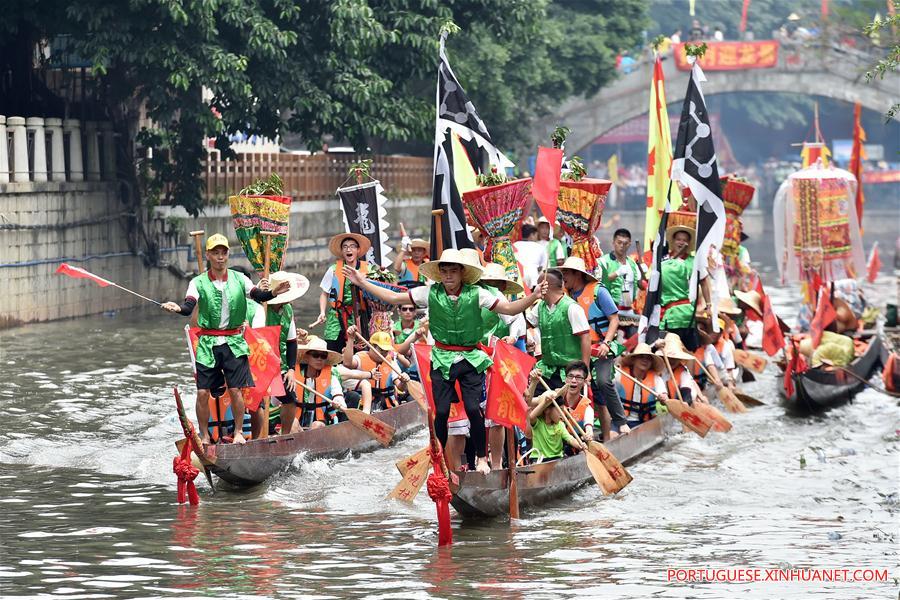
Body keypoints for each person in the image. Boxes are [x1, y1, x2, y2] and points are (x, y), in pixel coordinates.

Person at [341, 248, 547, 475]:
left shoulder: (478, 294)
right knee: (440, 411)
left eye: (453, 271)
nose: (448, 276)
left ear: (462, 273)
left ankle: (481, 458)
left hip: (471, 357)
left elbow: (509, 308)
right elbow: (393, 297)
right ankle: (438, 458)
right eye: (444, 271)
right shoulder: (429, 293)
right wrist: (362, 282)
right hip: (441, 358)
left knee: (471, 408)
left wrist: (534, 296)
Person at [162, 233, 290, 444]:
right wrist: (177, 308)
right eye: (216, 253)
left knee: (236, 390)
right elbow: (188, 307)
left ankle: (239, 433)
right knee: (203, 392)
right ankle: (204, 436)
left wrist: (273, 293)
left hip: (234, 342)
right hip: (208, 344)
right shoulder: (197, 282)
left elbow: (258, 295)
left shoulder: (240, 279)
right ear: (209, 255)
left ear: (228, 255)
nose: (220, 257)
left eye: (223, 253)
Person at [557, 256, 628, 441]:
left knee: (603, 383)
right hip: (578, 350)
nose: (563, 277)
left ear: (577, 275)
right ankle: (572, 440)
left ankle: (619, 423)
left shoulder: (598, 291)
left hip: (601, 348)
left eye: (566, 273)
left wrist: (606, 343)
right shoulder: (564, 294)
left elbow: (614, 319)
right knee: (572, 390)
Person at [248, 271, 310, 435]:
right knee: (256, 404)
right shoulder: (259, 308)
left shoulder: (288, 309)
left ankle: (285, 435)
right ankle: (255, 439)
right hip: (256, 362)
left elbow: (291, 342)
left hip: (278, 363)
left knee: (290, 399)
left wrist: (290, 369)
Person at [311, 233, 371, 352]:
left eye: (352, 246)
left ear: (358, 250)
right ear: (342, 251)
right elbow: (324, 293)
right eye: (345, 247)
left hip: (359, 317)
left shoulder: (368, 270)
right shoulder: (333, 269)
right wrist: (322, 312)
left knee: (360, 352)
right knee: (333, 351)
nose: (348, 249)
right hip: (336, 316)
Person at [342, 327, 409, 411]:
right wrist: (351, 339)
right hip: (364, 403)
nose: (384, 353)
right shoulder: (360, 358)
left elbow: (400, 387)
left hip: (386, 404)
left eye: (386, 351)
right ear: (372, 346)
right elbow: (347, 363)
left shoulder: (390, 361)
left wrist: (403, 382)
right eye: (381, 350)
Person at [660, 222, 699, 350]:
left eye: (684, 240)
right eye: (678, 239)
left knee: (689, 350)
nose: (681, 243)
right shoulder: (662, 260)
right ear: (673, 241)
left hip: (688, 312)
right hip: (666, 312)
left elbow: (702, 284)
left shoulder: (693, 262)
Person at [294, 336, 347, 430]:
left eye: (323, 356)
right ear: (307, 357)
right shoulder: (294, 376)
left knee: (316, 425)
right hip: (298, 421)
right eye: (315, 355)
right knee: (293, 422)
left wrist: (338, 403)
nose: (319, 359)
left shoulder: (331, 377)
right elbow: (276, 401)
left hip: (321, 421)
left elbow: (338, 396)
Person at [599, 228, 643, 334]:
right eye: (619, 242)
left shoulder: (632, 263)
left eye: (625, 243)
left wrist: (643, 272)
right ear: (613, 242)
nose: (622, 246)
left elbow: (641, 286)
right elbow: (599, 283)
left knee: (631, 345)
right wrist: (616, 273)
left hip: (629, 311)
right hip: (610, 311)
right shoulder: (604, 261)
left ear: (629, 244)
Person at [615, 343, 668, 428]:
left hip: (645, 423)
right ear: (634, 360)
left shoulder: (656, 378)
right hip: (622, 421)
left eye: (648, 358)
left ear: (651, 363)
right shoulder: (619, 374)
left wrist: (663, 397)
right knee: (613, 434)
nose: (645, 360)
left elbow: (664, 395)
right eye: (641, 357)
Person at [526, 389, 580, 463]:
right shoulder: (538, 423)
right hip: (539, 459)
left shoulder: (560, 424)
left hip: (557, 459)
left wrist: (580, 445)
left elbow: (570, 439)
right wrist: (545, 402)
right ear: (547, 410)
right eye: (559, 410)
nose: (562, 414)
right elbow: (531, 417)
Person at [560, 361, 595, 439]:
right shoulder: (554, 398)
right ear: (565, 379)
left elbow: (589, 427)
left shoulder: (587, 408)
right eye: (570, 376)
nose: (573, 380)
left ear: (584, 382)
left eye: (578, 377)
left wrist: (589, 433)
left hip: (573, 446)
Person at [514, 223, 548, 289]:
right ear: (532, 235)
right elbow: (544, 268)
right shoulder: (540, 247)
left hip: (517, 280)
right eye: (536, 235)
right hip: (534, 281)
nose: (536, 237)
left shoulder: (514, 245)